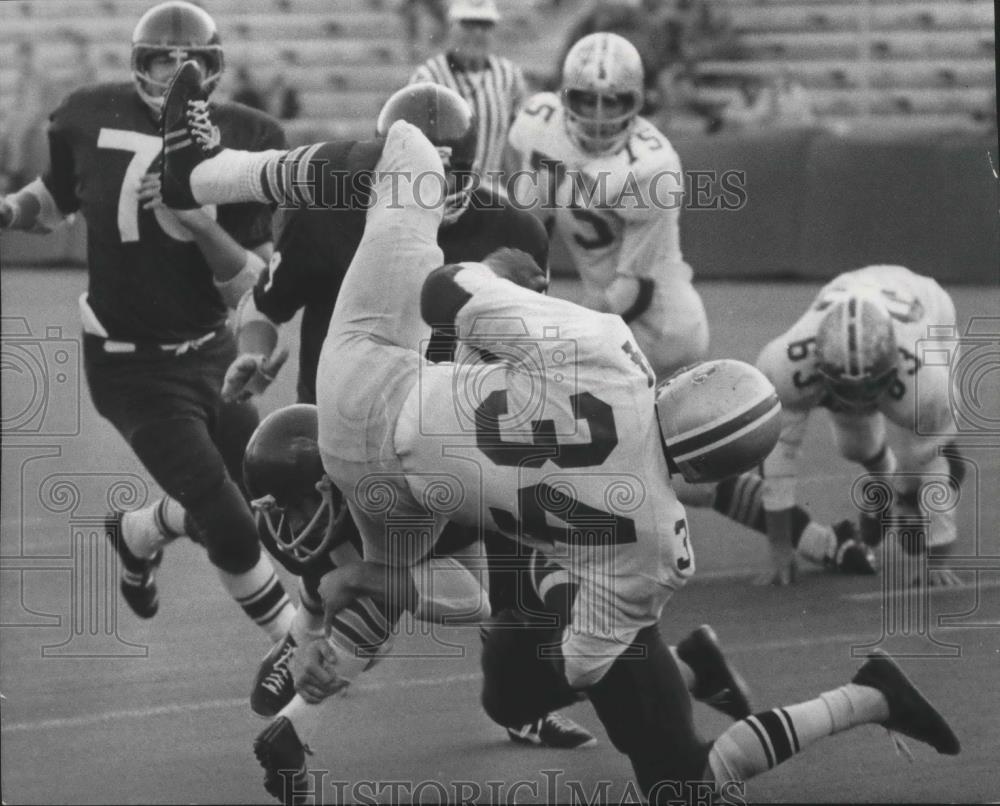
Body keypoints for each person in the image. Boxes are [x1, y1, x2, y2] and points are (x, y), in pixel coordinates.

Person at [160, 89, 961, 801]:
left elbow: (447, 291)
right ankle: (859, 699)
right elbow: (581, 663)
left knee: (403, 153)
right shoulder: (658, 539)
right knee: (655, 762)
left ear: (682, 387)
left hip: (364, 390)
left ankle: (201, 174)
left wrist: (484, 359)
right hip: (417, 491)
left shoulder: (611, 353)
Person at [191, 80, 597, 750]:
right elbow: (266, 303)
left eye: (452, 169)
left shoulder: (513, 228)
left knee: (498, 588)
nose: (440, 183)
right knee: (394, 581)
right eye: (427, 169)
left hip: (462, 429)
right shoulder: (332, 213)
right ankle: (311, 652)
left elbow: (529, 348)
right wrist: (257, 352)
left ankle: (506, 694)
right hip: (348, 427)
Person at [508, 32, 866, 576]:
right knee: (681, 477)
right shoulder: (536, 125)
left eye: (614, 101)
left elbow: (632, 291)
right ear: (563, 98)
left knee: (580, 440)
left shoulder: (653, 167)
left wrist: (554, 332)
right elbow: (529, 217)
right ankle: (819, 540)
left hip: (657, 325)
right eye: (586, 99)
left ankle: (572, 566)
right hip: (608, 315)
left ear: (637, 103)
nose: (601, 115)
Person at [0, 1, 295, 641]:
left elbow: (254, 278)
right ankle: (298, 648)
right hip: (129, 364)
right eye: (164, 58)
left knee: (267, 492)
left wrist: (197, 220)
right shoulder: (88, 113)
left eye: (191, 60)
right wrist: (11, 210)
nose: (176, 71)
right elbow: (56, 195)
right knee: (232, 521)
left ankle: (140, 531)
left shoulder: (251, 137)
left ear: (214, 69)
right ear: (140, 62)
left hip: (212, 352)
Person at [755, 265, 966, 586]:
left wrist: (937, 559)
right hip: (847, 295)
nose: (858, 400)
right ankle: (884, 480)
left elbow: (938, 462)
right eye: (847, 389)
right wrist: (779, 548)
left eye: (867, 388)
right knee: (855, 446)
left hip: (928, 306)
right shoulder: (784, 363)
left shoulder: (928, 381)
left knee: (924, 458)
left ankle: (905, 494)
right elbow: (779, 453)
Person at [409, 0, 527, 182]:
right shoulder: (428, 77)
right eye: (468, 24)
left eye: (485, 25)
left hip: (491, 195)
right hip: (440, 193)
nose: (478, 33)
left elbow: (516, 145)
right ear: (451, 27)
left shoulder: (509, 76)